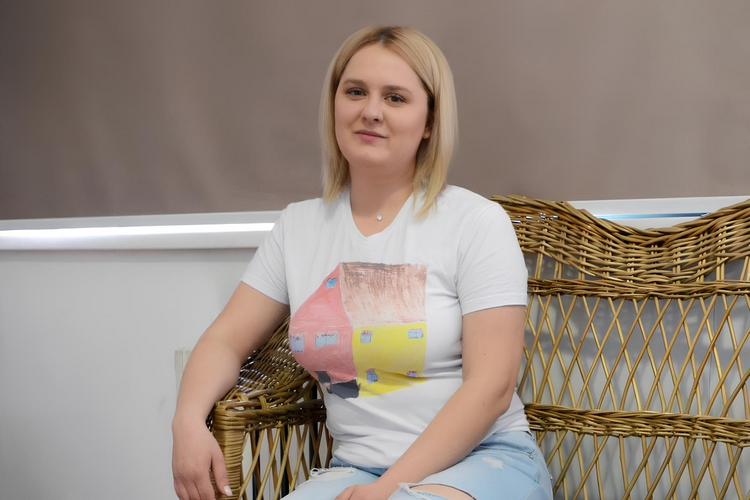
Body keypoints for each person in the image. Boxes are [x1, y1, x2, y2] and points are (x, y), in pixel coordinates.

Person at [172, 26, 553, 500]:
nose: (371, 111)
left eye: (395, 98)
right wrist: (187, 420)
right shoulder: (298, 228)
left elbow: (492, 387)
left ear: (430, 121)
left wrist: (391, 489)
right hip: (357, 469)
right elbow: (225, 340)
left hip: (484, 461)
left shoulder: (476, 222)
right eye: (355, 92)